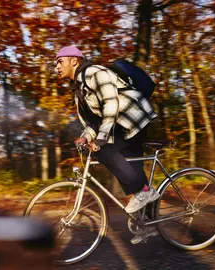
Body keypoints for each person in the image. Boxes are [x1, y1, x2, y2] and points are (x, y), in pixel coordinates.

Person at [55, 46, 160, 243]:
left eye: (60, 61)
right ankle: (148, 223)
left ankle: (146, 193)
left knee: (105, 152)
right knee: (132, 167)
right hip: (120, 125)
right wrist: (86, 137)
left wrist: (101, 139)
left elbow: (111, 103)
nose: (56, 67)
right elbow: (93, 123)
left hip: (133, 118)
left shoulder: (94, 73)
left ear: (74, 61)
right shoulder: (79, 91)